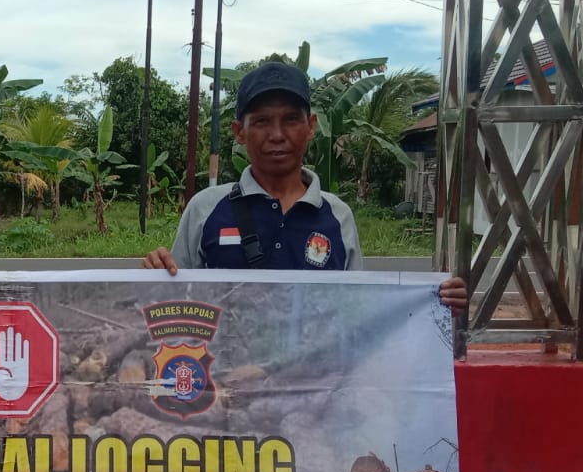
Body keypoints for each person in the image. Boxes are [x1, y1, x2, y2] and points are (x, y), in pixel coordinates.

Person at [140, 60, 468, 312]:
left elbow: (356, 312)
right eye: (262, 121)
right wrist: (153, 276)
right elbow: (173, 304)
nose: (277, 135)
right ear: (239, 132)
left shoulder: (338, 216)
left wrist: (432, 304)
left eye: (291, 120)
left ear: (311, 127)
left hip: (316, 381)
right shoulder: (205, 208)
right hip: (226, 379)